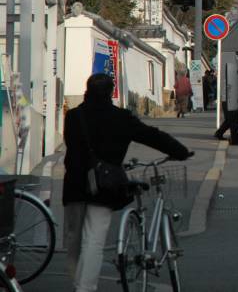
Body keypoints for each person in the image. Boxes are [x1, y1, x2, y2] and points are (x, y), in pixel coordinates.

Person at [64, 73, 192, 292]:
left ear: (87, 90)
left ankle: (78, 282)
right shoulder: (121, 117)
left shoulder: (74, 116)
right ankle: (85, 288)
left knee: (74, 240)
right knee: (94, 239)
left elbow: (71, 147)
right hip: (104, 186)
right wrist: (179, 151)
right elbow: (151, 135)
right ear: (111, 92)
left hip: (75, 184)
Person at [214, 59, 238, 143]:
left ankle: (219, 133)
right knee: (233, 119)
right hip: (229, 101)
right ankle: (234, 138)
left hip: (226, 101)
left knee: (229, 120)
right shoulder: (233, 81)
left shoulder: (229, 80)